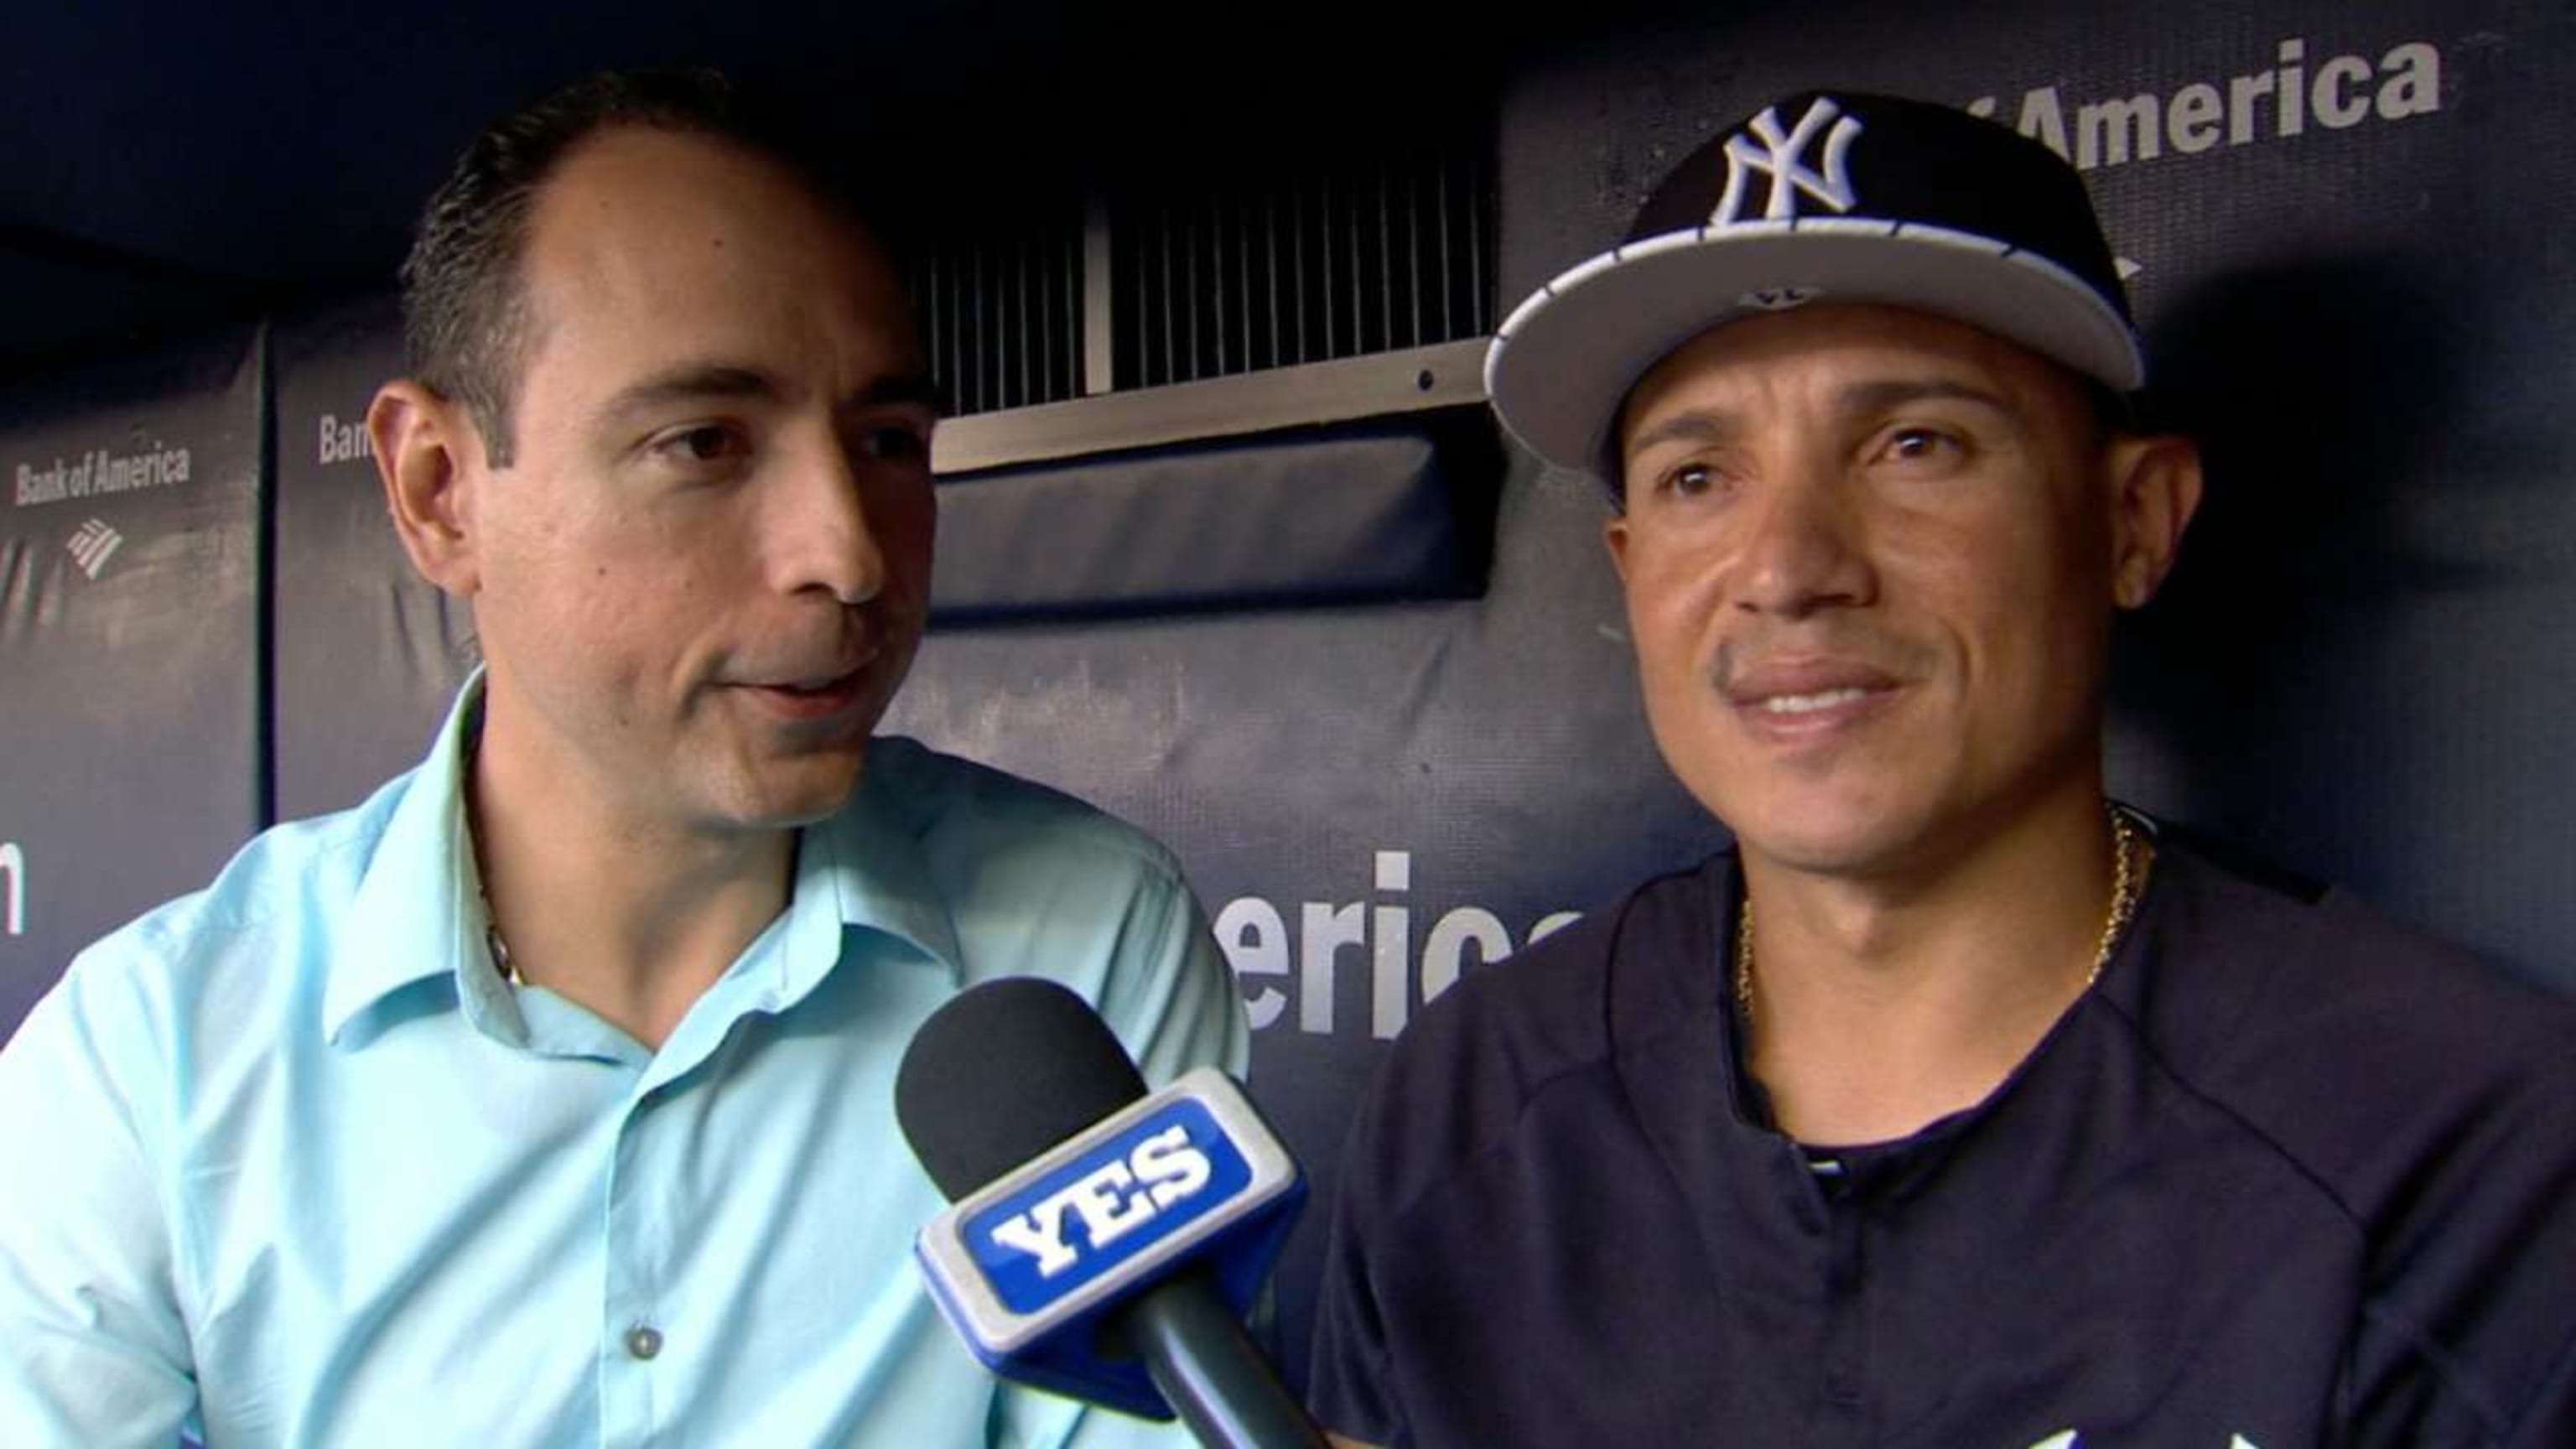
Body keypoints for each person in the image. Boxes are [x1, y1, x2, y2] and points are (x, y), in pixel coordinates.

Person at [1308, 91, 2576, 1448]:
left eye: (1918, 444)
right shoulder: (1479, 1089)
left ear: (2132, 522)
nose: (1790, 570)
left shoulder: (2460, 1146)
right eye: (1697, 477)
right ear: (1632, 573)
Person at [0, 69, 1244, 1446]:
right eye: (703, 441)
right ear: (438, 490)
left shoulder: (1088, 942)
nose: (849, 552)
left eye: (889, 439)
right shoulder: (145, 1065)